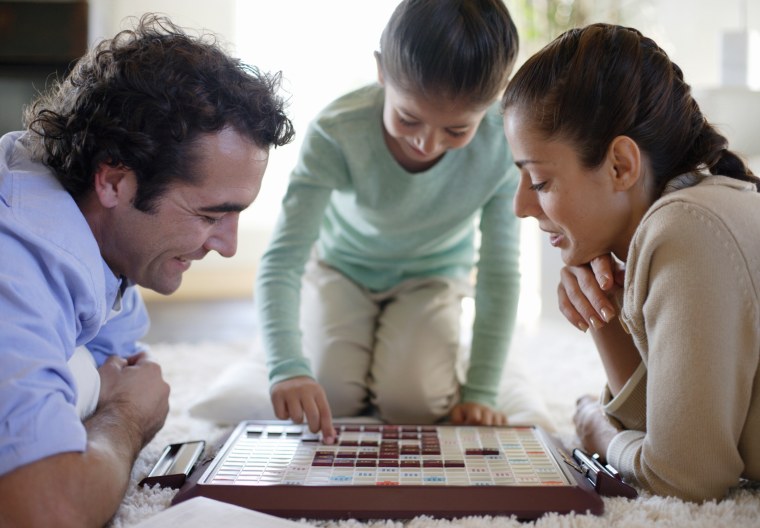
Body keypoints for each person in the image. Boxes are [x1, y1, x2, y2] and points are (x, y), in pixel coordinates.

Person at [0, 14, 294, 527]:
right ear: (115, 181)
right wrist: (127, 418)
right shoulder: (19, 272)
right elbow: (46, 512)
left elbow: (119, 360)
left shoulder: (97, 237)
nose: (228, 247)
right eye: (209, 215)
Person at [502, 22, 760, 502]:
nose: (520, 206)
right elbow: (664, 424)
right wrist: (602, 314)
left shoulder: (686, 227)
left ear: (620, 165)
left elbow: (685, 476)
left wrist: (598, 431)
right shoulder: (695, 212)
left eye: (538, 182)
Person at [256, 0, 521, 441]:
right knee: (330, 397)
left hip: (433, 278)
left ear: (494, 100)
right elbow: (282, 257)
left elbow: (500, 271)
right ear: (381, 72)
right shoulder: (336, 132)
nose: (427, 142)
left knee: (412, 404)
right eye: (408, 117)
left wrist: (482, 390)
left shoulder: (500, 148)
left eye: (456, 131)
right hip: (341, 269)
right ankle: (305, 331)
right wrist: (286, 365)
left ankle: (410, 345)